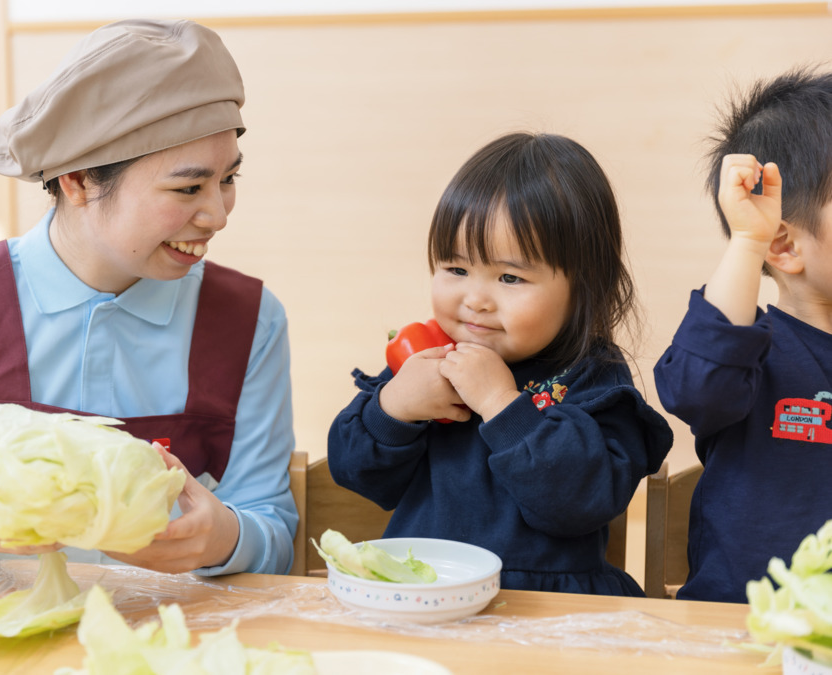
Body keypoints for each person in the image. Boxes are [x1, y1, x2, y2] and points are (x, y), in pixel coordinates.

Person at [0, 19, 298, 595]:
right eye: (188, 189)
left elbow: (274, 532)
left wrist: (227, 537)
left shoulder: (250, 320)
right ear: (80, 180)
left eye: (228, 179)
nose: (218, 214)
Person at [328, 132, 673, 596]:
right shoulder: (430, 357)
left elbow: (579, 502)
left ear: (584, 287)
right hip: (428, 595)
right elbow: (356, 473)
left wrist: (500, 402)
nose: (475, 300)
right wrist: (393, 406)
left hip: (551, 609)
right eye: (456, 269)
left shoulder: (593, 378)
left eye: (510, 277)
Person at [654, 67, 832, 603]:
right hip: (740, 626)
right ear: (784, 246)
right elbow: (694, 385)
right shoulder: (756, 354)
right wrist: (747, 239)